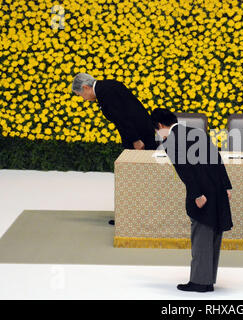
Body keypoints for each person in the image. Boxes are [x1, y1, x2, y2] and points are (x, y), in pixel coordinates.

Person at [151, 108, 233, 293]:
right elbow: (216, 157)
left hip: (202, 192)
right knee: (213, 235)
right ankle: (208, 278)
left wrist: (197, 194)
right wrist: (226, 185)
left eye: (157, 130)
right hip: (217, 187)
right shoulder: (195, 131)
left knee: (201, 236)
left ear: (161, 126)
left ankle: (199, 282)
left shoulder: (170, 141)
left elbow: (185, 170)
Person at [72, 73, 159, 225]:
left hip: (138, 137)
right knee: (137, 176)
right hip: (140, 133)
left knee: (136, 177)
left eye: (81, 95)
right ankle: (135, 215)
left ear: (86, 88)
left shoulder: (106, 93)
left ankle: (134, 218)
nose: (84, 99)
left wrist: (136, 140)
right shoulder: (108, 86)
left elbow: (123, 118)